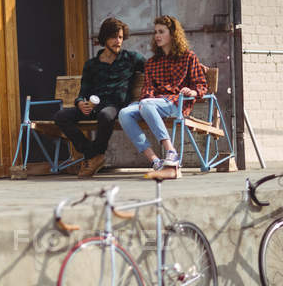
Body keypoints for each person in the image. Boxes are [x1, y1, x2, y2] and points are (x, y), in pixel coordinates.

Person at [118, 15, 208, 180]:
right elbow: (148, 89)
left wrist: (192, 92)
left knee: (146, 104)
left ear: (173, 34)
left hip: (176, 104)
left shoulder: (188, 57)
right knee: (124, 113)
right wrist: (144, 103)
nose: (157, 36)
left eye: (161, 32)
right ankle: (155, 161)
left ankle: (171, 152)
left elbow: (201, 85)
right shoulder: (152, 62)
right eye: (155, 32)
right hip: (152, 104)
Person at [54, 17, 145, 178]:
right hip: (93, 106)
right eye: (113, 37)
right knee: (61, 116)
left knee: (106, 115)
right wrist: (80, 102)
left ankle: (94, 156)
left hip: (115, 107)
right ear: (104, 38)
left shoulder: (131, 58)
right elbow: (83, 91)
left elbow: (155, 68)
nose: (118, 41)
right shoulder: (91, 65)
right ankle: (93, 154)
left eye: (121, 37)